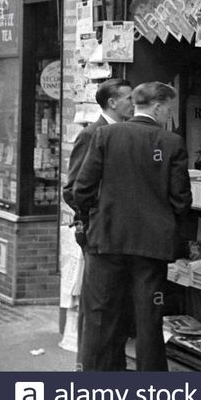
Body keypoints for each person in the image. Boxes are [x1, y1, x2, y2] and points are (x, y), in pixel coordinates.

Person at [73, 82, 192, 371]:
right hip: (151, 246)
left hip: (106, 240)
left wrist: (95, 220)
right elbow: (181, 200)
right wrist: (167, 224)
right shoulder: (171, 142)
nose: (168, 114)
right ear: (159, 106)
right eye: (168, 108)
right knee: (148, 319)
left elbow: (82, 190)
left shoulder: (104, 135)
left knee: (101, 316)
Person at [63, 77, 133, 369]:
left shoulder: (127, 132)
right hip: (99, 235)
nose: (133, 102)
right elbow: (73, 189)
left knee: (116, 307)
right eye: (128, 97)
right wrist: (96, 217)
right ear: (112, 102)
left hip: (120, 236)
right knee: (99, 308)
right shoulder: (92, 134)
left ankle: (112, 369)